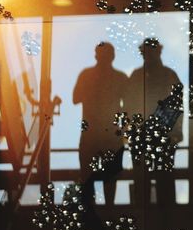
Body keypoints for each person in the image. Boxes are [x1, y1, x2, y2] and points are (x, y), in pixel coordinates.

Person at [125, 38, 183, 207]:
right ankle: (163, 217)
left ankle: (162, 216)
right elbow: (130, 106)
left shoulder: (163, 75)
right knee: (151, 179)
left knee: (160, 179)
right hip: (155, 134)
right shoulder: (163, 75)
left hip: (160, 134)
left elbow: (177, 106)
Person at [73, 42, 128, 205]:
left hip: (90, 133)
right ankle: (109, 208)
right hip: (111, 134)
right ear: (113, 56)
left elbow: (75, 98)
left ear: (96, 55)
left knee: (87, 174)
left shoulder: (86, 75)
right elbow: (130, 106)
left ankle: (90, 209)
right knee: (110, 175)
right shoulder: (120, 77)